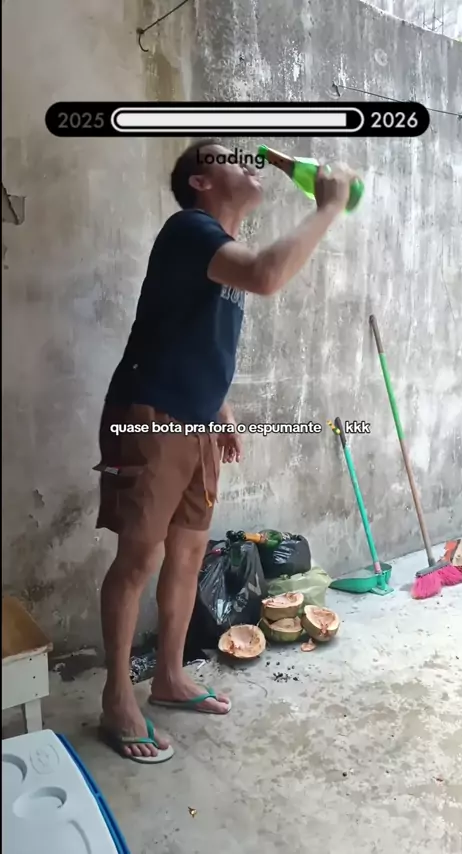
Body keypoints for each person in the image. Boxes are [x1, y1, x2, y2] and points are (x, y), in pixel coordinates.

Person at [95, 139, 358, 764]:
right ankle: (116, 697)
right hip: (150, 416)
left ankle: (168, 677)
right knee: (139, 558)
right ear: (201, 181)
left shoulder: (219, 254)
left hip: (197, 424)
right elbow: (267, 275)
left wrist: (221, 410)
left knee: (188, 554)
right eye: (227, 157)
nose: (246, 162)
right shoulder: (190, 229)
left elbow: (192, 340)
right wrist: (328, 206)